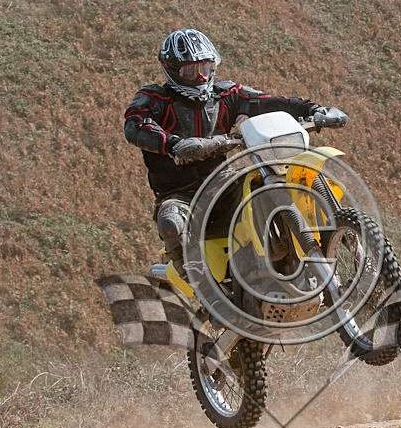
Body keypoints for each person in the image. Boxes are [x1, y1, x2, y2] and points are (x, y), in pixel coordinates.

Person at [124, 28, 347, 278]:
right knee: (171, 223)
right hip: (179, 195)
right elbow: (135, 125)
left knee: (270, 181)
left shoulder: (226, 95)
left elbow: (270, 101)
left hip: (223, 182)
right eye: (190, 70)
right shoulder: (155, 98)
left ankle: (343, 232)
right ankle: (201, 285)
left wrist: (315, 109)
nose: (199, 77)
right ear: (173, 70)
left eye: (205, 68)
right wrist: (173, 144)